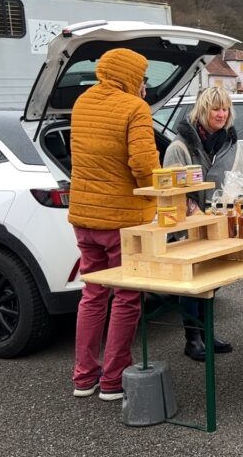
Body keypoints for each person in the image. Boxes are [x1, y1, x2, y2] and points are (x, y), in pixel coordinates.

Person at [68, 48, 159, 401]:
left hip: (83, 216)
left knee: (92, 294)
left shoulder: (81, 103)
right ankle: (112, 379)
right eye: (143, 78)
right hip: (121, 219)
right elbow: (142, 164)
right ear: (131, 76)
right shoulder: (135, 108)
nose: (145, 86)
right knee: (126, 295)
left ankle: (83, 377)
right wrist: (160, 187)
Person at [163, 86, 243, 362]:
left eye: (225, 108)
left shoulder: (230, 143)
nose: (221, 113)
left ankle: (207, 332)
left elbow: (240, 177)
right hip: (187, 228)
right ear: (203, 110)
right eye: (216, 108)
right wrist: (192, 214)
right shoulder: (179, 147)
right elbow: (172, 190)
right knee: (193, 284)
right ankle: (192, 339)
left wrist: (242, 197)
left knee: (212, 280)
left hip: (218, 225)